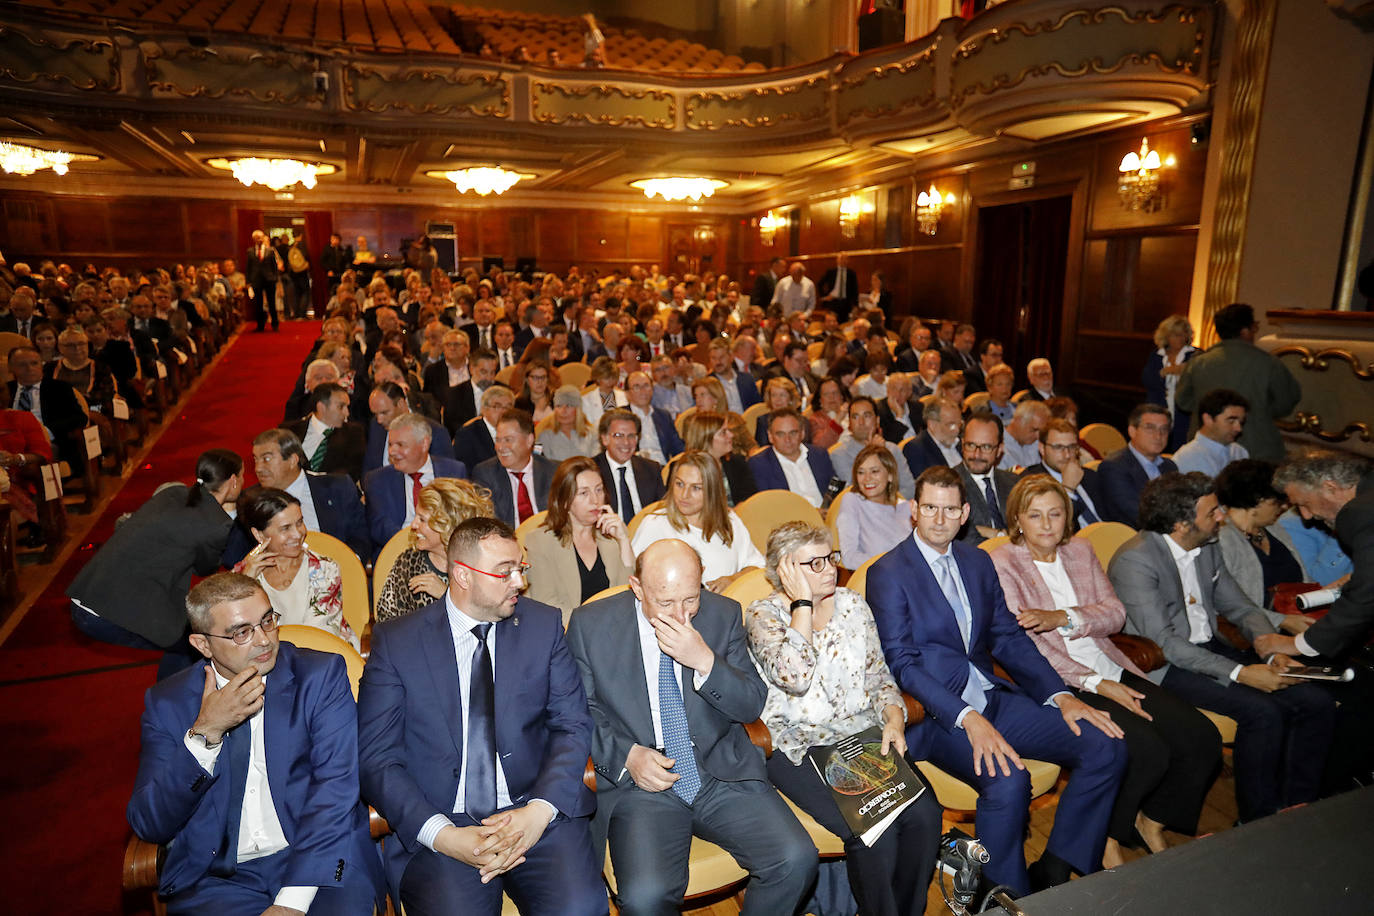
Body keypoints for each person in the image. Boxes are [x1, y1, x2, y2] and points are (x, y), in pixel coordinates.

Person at [867, 466, 1127, 896]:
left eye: (950, 509)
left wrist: (1061, 696)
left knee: (1105, 744)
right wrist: (967, 717)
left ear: (965, 513)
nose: (938, 518)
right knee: (1008, 779)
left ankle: (1056, 869)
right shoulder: (889, 572)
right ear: (913, 510)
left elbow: (1006, 636)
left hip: (992, 695)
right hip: (936, 715)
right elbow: (903, 664)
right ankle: (1005, 896)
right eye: (929, 507)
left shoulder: (976, 560)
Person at [358, 518, 606, 915]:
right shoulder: (397, 643)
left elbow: (572, 726)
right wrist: (442, 835)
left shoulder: (542, 625)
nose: (518, 582)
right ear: (461, 575)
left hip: (534, 808)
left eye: (519, 568)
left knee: (580, 909)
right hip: (442, 821)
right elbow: (377, 758)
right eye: (503, 571)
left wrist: (539, 812)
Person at [565, 538, 818, 916]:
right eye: (665, 602)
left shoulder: (723, 613)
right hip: (642, 784)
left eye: (690, 598)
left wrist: (705, 661)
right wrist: (628, 756)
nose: (681, 615)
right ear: (637, 587)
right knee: (645, 897)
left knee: (795, 858)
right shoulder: (591, 625)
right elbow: (577, 711)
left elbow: (751, 704)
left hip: (719, 771)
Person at [989, 476, 1221, 868]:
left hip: (1111, 663)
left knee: (1201, 738)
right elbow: (1029, 645)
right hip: (1062, 682)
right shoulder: (1003, 562)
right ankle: (1107, 836)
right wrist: (1098, 683)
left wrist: (1062, 617)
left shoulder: (1080, 550)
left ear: (1068, 516)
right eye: (1035, 515)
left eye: (1055, 514)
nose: (1047, 525)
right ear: (1017, 520)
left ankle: (1150, 821)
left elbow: (1115, 614)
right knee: (1147, 750)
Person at [127, 572, 383, 915]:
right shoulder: (169, 703)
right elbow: (150, 822)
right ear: (203, 645)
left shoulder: (318, 677)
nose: (263, 640)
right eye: (241, 632)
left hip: (318, 862)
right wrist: (205, 734)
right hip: (217, 879)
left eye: (267, 621)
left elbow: (335, 792)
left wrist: (290, 903)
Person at [1107, 472, 1336, 823]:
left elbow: (1241, 607)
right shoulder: (1136, 560)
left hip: (1211, 648)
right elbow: (1166, 644)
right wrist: (1242, 673)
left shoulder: (1206, 546)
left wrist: (1271, 650)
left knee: (1316, 702)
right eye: (1212, 512)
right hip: (1166, 666)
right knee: (1263, 713)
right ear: (1181, 523)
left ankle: (1296, 808)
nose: (1222, 517)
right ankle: (1257, 820)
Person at [747, 521, 941, 915]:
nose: (829, 569)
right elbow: (795, 678)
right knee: (874, 831)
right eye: (813, 564)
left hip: (861, 734)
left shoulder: (853, 605)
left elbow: (878, 676)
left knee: (925, 815)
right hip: (799, 745)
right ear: (785, 570)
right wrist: (802, 604)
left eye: (830, 558)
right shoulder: (762, 617)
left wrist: (892, 716)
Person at [68, 448, 243, 679]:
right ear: (232, 481)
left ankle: (172, 700)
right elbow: (206, 568)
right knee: (202, 642)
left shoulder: (173, 492)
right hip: (106, 613)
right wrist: (228, 515)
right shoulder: (216, 524)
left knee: (187, 640)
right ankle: (175, 707)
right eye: (241, 476)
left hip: (86, 595)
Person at [232, 487, 358, 650]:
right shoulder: (242, 574)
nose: (298, 534)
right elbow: (235, 631)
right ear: (259, 535)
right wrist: (246, 583)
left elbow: (318, 635)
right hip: (265, 658)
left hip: (324, 657)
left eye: (299, 523)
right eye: (285, 528)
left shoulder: (325, 569)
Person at [1176, 303, 1301, 463]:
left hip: (1207, 448)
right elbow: (1286, 401)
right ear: (1245, 331)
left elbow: (1183, 402)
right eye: (1254, 327)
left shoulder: (1199, 362)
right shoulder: (1268, 363)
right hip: (1257, 448)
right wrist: (1260, 411)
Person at [231, 428, 370, 566]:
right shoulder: (252, 499)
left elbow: (361, 535)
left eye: (266, 459)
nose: (258, 468)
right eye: (256, 460)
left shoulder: (337, 487)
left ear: (292, 460)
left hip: (336, 569)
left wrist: (347, 566)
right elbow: (234, 556)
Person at [630, 450, 764, 591]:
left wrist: (733, 580)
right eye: (680, 484)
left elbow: (757, 567)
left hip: (729, 605)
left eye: (696, 488)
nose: (684, 495)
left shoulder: (729, 521)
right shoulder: (655, 524)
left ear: (712, 491)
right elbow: (634, 578)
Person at [524, 456, 634, 625]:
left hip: (614, 629)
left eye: (599, 490)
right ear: (565, 500)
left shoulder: (613, 534)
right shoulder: (540, 542)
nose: (595, 500)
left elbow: (628, 595)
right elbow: (548, 606)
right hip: (568, 636)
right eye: (584, 493)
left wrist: (623, 540)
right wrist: (592, 630)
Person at [375, 478, 495, 625]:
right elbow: (387, 622)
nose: (413, 525)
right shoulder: (408, 563)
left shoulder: (482, 565)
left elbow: (490, 622)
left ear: (447, 525)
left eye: (422, 519)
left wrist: (447, 596)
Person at [1215, 459, 1314, 614]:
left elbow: (1304, 581)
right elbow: (1224, 604)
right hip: (1253, 631)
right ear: (1258, 501)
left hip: (1296, 616)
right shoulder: (1222, 540)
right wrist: (1284, 622)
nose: (1284, 507)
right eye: (1277, 501)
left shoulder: (1274, 528)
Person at [363, 413, 466, 560]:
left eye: (400, 445)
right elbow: (380, 528)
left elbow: (461, 520)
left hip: (445, 554)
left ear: (424, 444)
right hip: (398, 555)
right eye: (390, 444)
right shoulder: (377, 480)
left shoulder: (453, 472)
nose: (392, 451)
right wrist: (418, 543)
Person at [472, 408, 557, 529]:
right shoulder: (485, 474)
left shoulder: (552, 472)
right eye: (498, 440)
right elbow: (489, 524)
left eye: (508, 440)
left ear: (529, 440)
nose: (500, 447)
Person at [1097, 404, 1178, 526]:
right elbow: (1135, 513)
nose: (1158, 436)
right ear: (1132, 431)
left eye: (1164, 429)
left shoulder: (1170, 466)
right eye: (1150, 428)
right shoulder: (1114, 467)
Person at [836, 444, 912, 569]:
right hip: (876, 580)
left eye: (874, 471)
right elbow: (849, 558)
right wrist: (891, 566)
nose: (867, 478)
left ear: (890, 475)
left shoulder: (905, 508)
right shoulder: (852, 501)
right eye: (861, 472)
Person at [1021, 419, 1106, 528]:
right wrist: (1068, 489)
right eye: (1058, 447)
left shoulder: (1090, 476)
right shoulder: (1031, 482)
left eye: (1071, 447)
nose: (1067, 455)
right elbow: (1053, 526)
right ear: (1042, 448)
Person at [748, 407, 838, 509]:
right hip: (790, 521)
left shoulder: (819, 455)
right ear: (770, 436)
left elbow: (834, 490)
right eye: (780, 434)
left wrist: (827, 511)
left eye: (793, 433)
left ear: (802, 433)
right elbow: (769, 507)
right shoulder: (760, 464)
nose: (787, 439)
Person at [282, 381, 366, 483]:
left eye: (347, 407)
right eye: (341, 407)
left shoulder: (354, 433)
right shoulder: (289, 431)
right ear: (321, 407)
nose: (347, 413)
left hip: (330, 491)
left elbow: (352, 470)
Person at [594, 408, 665, 524]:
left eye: (631, 436)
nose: (626, 442)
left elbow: (662, 511)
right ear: (605, 439)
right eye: (619, 435)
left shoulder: (652, 470)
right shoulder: (592, 471)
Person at [957, 410, 1017, 545]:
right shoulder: (948, 484)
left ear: (1000, 449)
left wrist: (990, 532)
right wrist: (1001, 535)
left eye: (986, 447)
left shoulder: (1014, 483)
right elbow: (962, 538)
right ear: (962, 444)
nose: (977, 454)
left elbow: (1030, 530)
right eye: (971, 445)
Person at [678, 410, 758, 505]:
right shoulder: (682, 470)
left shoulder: (737, 463)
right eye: (724, 432)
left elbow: (750, 499)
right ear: (706, 439)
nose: (731, 435)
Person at [1142, 315, 1197, 451]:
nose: (1179, 338)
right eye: (1174, 335)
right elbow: (1147, 380)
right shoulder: (1157, 355)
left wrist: (1184, 371)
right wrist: (1163, 373)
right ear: (1166, 336)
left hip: (1183, 414)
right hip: (1158, 410)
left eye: (1182, 334)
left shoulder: (1194, 356)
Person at [1172, 388, 1250, 477]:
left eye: (1241, 422)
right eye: (1231, 421)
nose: (1238, 428)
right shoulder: (1187, 458)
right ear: (1208, 419)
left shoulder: (1240, 452)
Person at [624, 370, 683, 465]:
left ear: (652, 389)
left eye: (646, 386)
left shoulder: (663, 416)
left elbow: (678, 448)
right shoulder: (621, 417)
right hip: (636, 467)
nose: (643, 391)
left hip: (663, 468)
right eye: (636, 387)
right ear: (627, 393)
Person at [454, 383, 513, 472]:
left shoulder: (516, 432)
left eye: (508, 407)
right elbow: (464, 471)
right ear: (484, 409)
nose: (503, 412)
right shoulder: (467, 434)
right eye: (497, 406)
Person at [901, 397, 963, 480]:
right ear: (932, 424)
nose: (956, 430)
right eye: (951, 425)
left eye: (959, 424)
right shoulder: (916, 449)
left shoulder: (962, 443)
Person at [535, 384, 598, 461]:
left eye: (568, 406)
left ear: (578, 410)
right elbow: (541, 465)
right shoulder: (545, 436)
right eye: (559, 406)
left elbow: (596, 464)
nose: (563, 411)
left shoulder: (592, 434)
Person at [245, 229, 283, 332]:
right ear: (254, 239)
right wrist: (248, 282)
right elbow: (248, 268)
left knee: (272, 303)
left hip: (269, 280)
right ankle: (260, 325)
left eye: (261, 237)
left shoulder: (270, 251)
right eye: (257, 238)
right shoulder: (250, 251)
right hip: (256, 280)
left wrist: (275, 278)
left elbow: (274, 266)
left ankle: (275, 324)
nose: (259, 239)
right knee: (258, 304)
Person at [582, 356, 628, 429]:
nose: (610, 381)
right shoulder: (586, 400)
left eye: (613, 377)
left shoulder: (625, 396)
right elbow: (588, 427)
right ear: (597, 378)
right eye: (606, 378)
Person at [807, 375, 847, 449]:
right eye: (826, 394)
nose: (831, 397)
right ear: (820, 400)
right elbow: (819, 446)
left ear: (842, 396)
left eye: (835, 393)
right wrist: (837, 420)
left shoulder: (853, 412)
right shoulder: (815, 419)